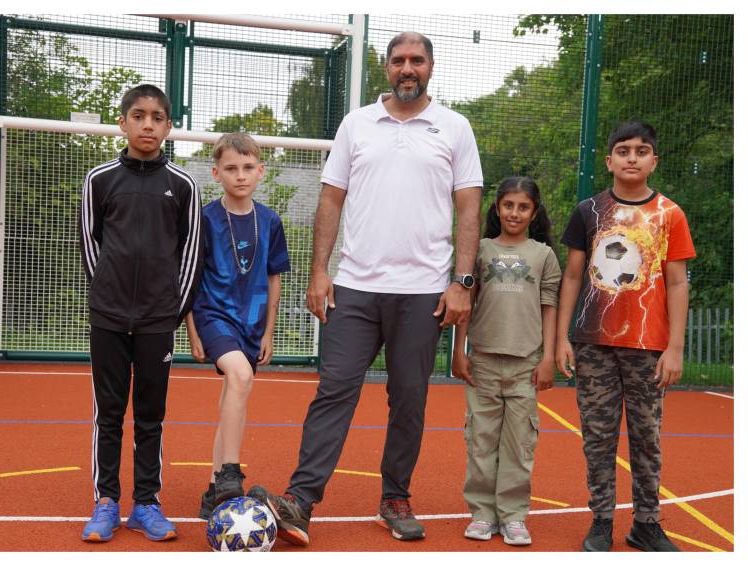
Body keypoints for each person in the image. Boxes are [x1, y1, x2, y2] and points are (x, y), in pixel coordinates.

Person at [248, 31, 483, 546]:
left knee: (410, 399)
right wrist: (318, 270)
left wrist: (462, 282)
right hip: (354, 287)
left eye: (416, 60)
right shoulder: (357, 124)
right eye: (398, 59)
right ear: (387, 67)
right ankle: (301, 501)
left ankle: (395, 498)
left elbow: (469, 207)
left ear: (431, 67)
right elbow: (331, 199)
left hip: (424, 291)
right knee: (334, 392)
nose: (407, 68)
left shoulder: (454, 128)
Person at [555, 120, 695, 552]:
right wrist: (561, 338)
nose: (632, 157)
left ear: (654, 160)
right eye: (623, 150)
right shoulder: (589, 210)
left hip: (648, 347)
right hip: (594, 343)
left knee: (646, 437)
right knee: (597, 435)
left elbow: (676, 282)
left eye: (641, 150)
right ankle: (601, 520)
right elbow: (574, 275)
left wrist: (674, 348)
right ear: (609, 159)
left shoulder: (669, 213)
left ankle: (647, 523)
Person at [78, 84, 202, 542]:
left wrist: (171, 309)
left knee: (151, 415)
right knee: (108, 413)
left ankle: (146, 502)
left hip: (157, 320)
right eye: (138, 115)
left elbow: (191, 252)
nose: (147, 124)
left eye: (157, 117)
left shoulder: (184, 185)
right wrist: (105, 295)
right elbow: (90, 244)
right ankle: (106, 501)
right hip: (108, 317)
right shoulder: (99, 180)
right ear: (123, 122)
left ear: (168, 127)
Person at [185, 132, 290, 520]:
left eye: (248, 168)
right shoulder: (206, 219)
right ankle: (230, 472)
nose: (240, 176)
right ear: (216, 173)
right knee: (240, 375)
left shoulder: (270, 221)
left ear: (260, 171)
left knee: (237, 392)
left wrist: (268, 331)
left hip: (252, 321)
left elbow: (275, 276)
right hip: (213, 314)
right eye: (231, 168)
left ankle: (215, 489)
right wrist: (193, 330)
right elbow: (191, 278)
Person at [452, 177, 560, 546]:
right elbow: (465, 305)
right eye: (508, 205)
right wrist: (458, 350)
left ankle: (513, 516)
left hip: (525, 366)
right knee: (481, 443)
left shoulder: (543, 255)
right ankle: (482, 514)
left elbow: (550, 308)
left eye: (523, 207)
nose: (515, 213)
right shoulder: (479, 250)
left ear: (534, 211)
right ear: (497, 208)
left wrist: (548, 357)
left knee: (519, 445)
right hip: (482, 361)